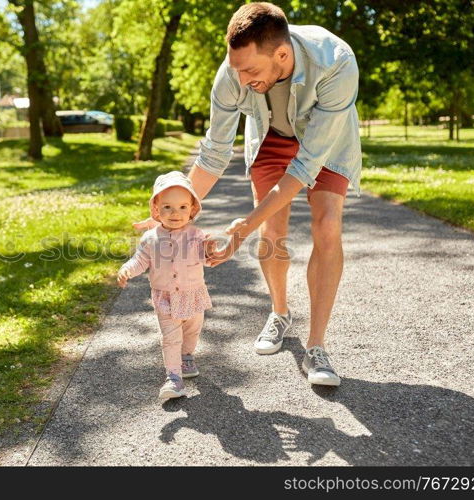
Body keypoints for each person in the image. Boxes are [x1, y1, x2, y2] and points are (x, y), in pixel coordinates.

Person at [134, 2, 362, 387]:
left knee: (327, 226)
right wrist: (175, 212)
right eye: (236, 69)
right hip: (271, 137)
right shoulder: (232, 74)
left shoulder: (337, 61)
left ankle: (317, 345)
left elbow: (305, 167)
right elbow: (215, 151)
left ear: (282, 55)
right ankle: (279, 312)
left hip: (327, 143)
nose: (240, 80)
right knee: (272, 231)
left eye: (250, 71)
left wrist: (240, 229)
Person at [118, 171, 213, 400]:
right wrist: (127, 269)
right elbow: (140, 260)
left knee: (192, 330)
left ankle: (187, 356)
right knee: (171, 336)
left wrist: (212, 249)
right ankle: (173, 378)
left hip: (193, 293)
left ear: (192, 210)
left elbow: (208, 259)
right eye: (167, 207)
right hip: (165, 296)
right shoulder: (150, 238)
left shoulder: (197, 235)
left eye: (182, 207)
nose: (175, 213)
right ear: (156, 210)